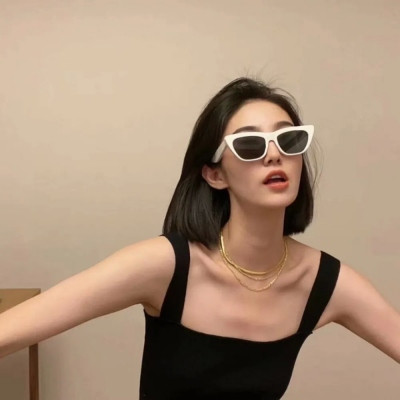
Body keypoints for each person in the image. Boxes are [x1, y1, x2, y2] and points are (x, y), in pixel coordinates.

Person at [0, 77, 399, 399]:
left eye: (289, 139)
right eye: (249, 144)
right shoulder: (166, 265)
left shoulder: (325, 282)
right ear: (215, 174)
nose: (274, 155)